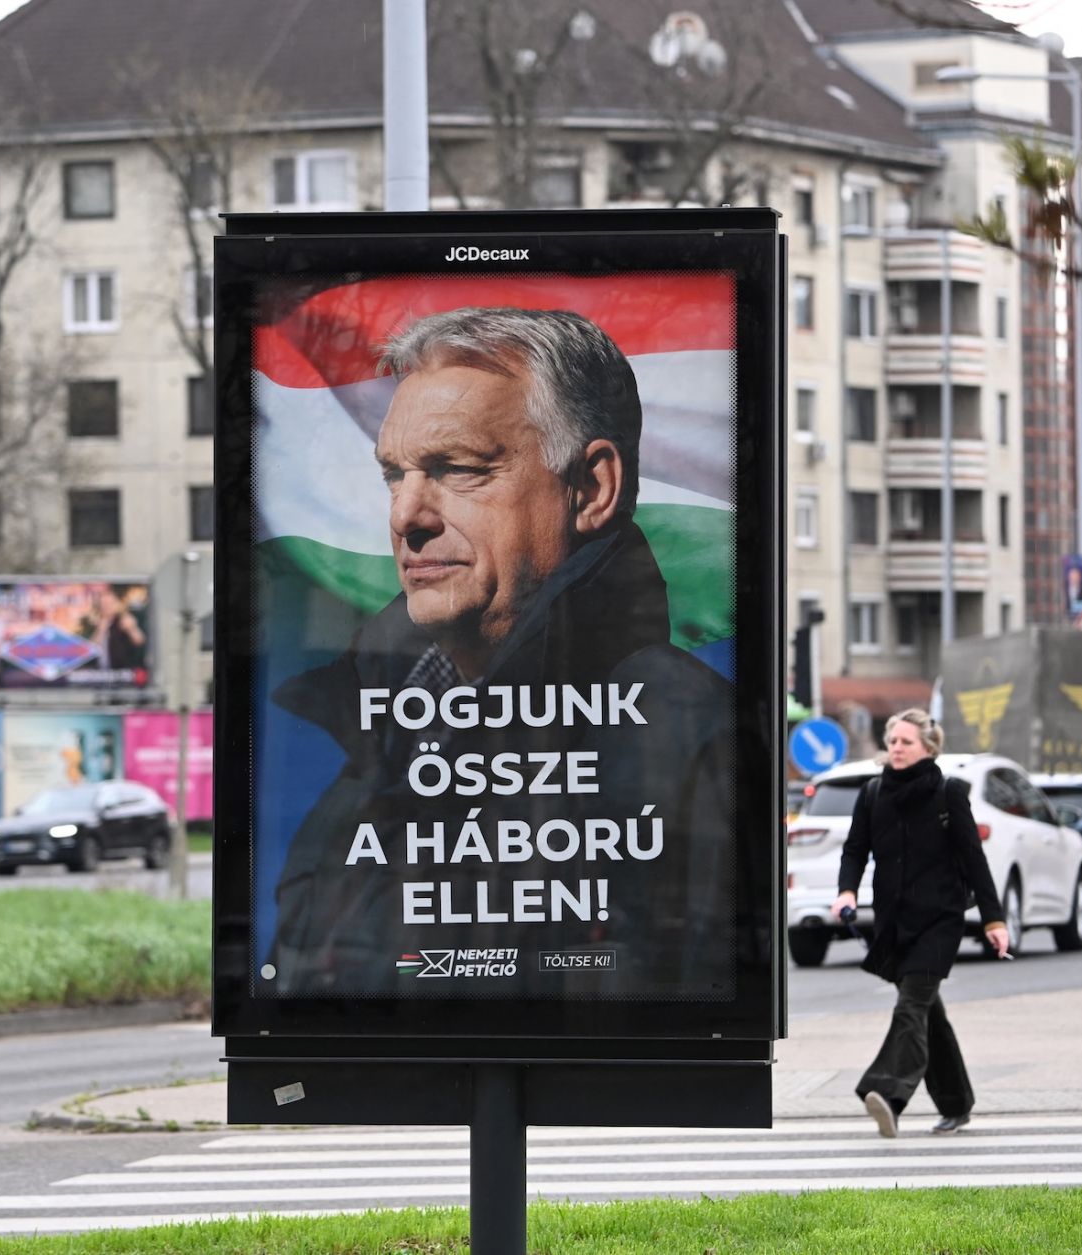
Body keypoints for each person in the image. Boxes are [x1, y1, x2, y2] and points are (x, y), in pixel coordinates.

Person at [264, 306, 736, 998]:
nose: (406, 516)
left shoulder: (687, 730)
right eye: (395, 474)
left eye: (457, 468)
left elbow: (683, 1000)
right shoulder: (385, 728)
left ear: (592, 488)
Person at [831, 709, 1008, 1138]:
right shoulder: (873, 794)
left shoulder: (948, 794)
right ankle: (957, 1103)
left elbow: (973, 859)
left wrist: (993, 919)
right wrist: (847, 890)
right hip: (894, 923)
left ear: (929, 748)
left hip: (940, 922)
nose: (897, 748)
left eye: (906, 742)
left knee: (911, 1006)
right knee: (929, 1015)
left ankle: (887, 1094)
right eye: (892, 741)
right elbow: (855, 850)